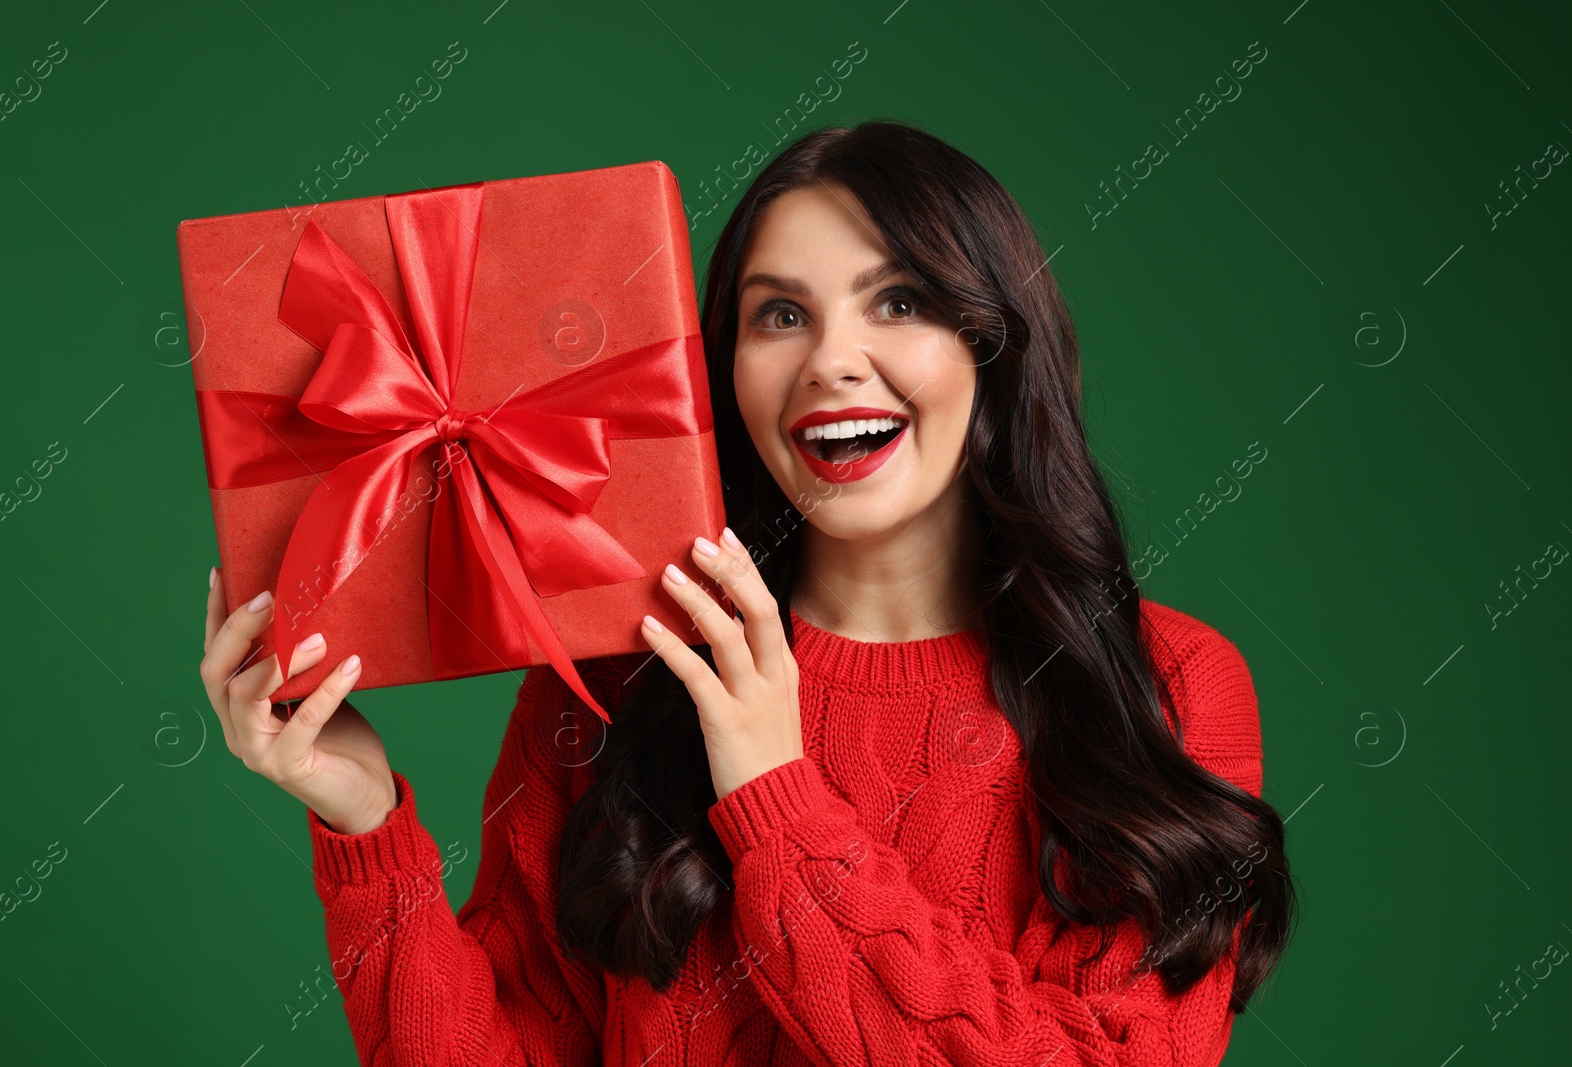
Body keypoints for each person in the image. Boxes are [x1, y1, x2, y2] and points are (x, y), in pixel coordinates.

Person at [199, 118, 1296, 1065]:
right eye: (779, 315)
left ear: (992, 346)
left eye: (899, 301)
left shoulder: (1163, 685)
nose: (831, 360)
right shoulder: (620, 667)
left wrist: (779, 795)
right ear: (719, 368)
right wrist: (364, 824)